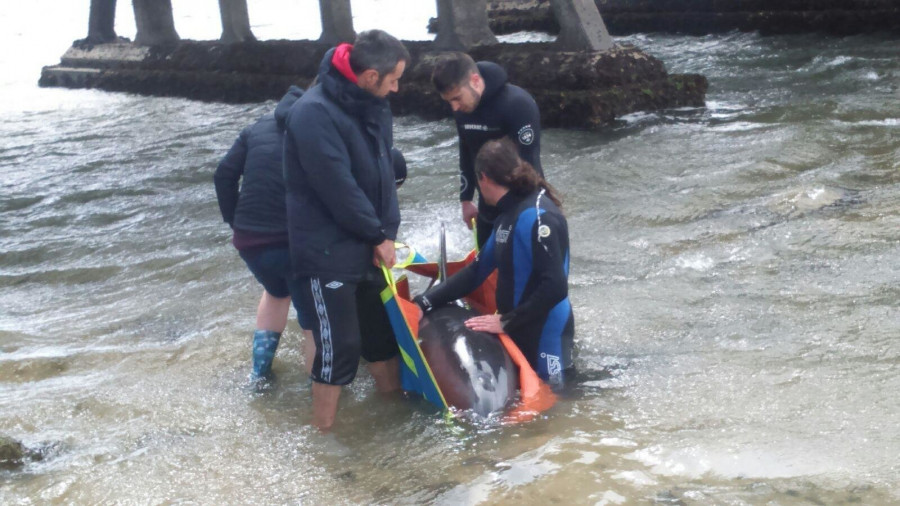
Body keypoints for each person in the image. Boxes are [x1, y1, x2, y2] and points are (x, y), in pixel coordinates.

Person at [282, 30, 409, 431]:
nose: (397, 87)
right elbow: (337, 187)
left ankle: (393, 420)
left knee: (382, 338)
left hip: (370, 243)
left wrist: (387, 232)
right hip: (326, 250)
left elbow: (384, 174)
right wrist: (376, 235)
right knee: (340, 347)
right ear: (370, 75)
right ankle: (323, 437)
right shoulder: (312, 113)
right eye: (393, 79)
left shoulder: (374, 105)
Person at [414, 138, 574, 386]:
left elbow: (555, 286)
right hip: (518, 325)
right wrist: (424, 302)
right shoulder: (507, 216)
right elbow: (477, 271)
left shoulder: (539, 217)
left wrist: (507, 321)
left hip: (545, 331)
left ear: (483, 178)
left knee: (556, 407)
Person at [214, 85, 314, 383]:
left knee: (275, 292)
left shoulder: (256, 127)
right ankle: (318, 393)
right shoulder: (315, 129)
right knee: (314, 322)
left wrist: (236, 222)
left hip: (249, 241)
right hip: (292, 242)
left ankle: (259, 376)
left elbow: (223, 175)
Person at [431, 52, 543, 248]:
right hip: (487, 205)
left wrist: (519, 216)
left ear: (475, 81)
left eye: (457, 98)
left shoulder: (517, 104)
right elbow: (466, 151)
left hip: (524, 203)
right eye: (449, 102)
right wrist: (465, 199)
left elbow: (529, 165)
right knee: (486, 269)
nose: (454, 107)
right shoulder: (462, 110)